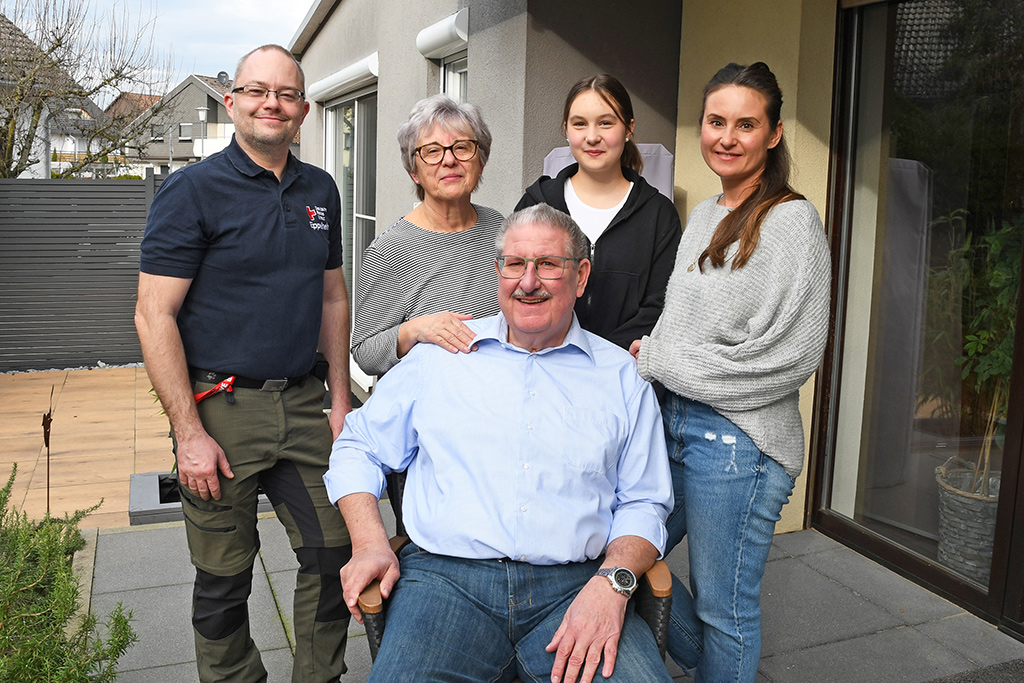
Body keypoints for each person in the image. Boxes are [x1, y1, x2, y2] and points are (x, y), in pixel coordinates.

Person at [325, 204, 675, 683]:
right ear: (498, 272)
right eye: (515, 264)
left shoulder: (620, 378)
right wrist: (368, 542)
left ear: (581, 276)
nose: (528, 281)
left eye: (548, 265)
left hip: (576, 584)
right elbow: (358, 445)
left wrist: (613, 585)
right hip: (445, 582)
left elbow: (646, 502)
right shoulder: (441, 360)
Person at [135, 44, 353, 683]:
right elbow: (154, 315)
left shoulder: (321, 189)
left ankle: (320, 675)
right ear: (231, 102)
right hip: (221, 410)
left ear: (303, 110)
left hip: (307, 406)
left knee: (334, 551)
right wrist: (187, 434)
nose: (271, 104)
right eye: (258, 91)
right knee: (225, 574)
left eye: (285, 95)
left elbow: (333, 296)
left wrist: (341, 399)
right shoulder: (192, 191)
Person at [629, 62, 831, 681]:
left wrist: (659, 359)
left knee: (725, 611)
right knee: (624, 562)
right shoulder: (706, 215)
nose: (727, 136)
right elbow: (679, 325)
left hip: (740, 444)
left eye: (746, 124)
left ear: (772, 134)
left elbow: (789, 358)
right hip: (675, 426)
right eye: (716, 121)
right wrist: (655, 355)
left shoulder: (792, 223)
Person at [515, 74, 680, 351]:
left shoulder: (659, 214)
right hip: (545, 365)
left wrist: (600, 359)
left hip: (625, 374)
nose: (592, 137)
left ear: (629, 129)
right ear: (566, 129)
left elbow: (662, 305)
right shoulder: (536, 205)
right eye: (580, 124)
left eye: (606, 123)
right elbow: (518, 284)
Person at [350, 94, 503, 376]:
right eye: (432, 151)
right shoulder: (389, 251)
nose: (449, 160)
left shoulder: (501, 229)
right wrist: (415, 329)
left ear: (480, 162)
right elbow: (365, 353)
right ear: (414, 172)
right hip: (427, 410)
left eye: (462, 147)